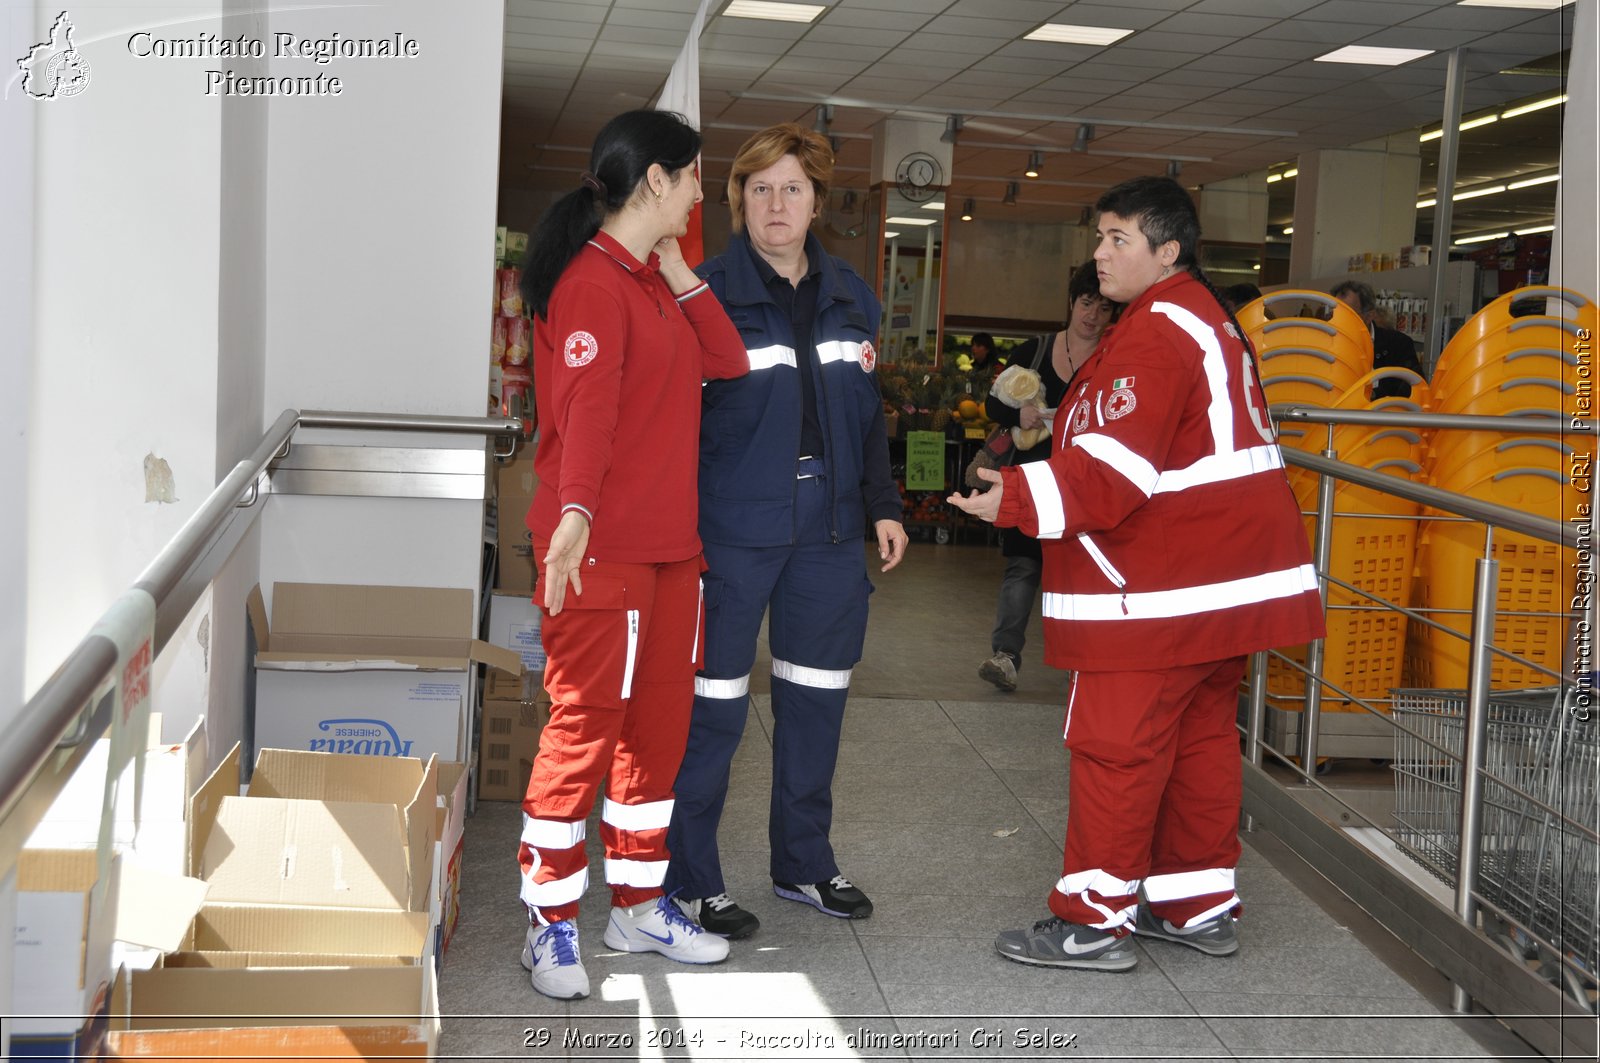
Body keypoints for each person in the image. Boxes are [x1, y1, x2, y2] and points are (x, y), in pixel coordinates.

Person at [949, 175, 1325, 971]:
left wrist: (1009, 495)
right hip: (1226, 593)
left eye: (1118, 239)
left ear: (1168, 250)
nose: (1100, 254)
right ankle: (1195, 905)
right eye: (1099, 238)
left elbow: (1113, 477)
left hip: (1162, 591)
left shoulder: (1155, 333)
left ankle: (1093, 919)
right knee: (1197, 746)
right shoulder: (1200, 319)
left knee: (1116, 747)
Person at [516, 109, 750, 1001]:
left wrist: (684, 273)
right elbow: (588, 413)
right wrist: (574, 511)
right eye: (694, 177)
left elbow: (726, 362)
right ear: (658, 180)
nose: (701, 192)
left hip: (668, 554)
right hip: (597, 550)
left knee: (657, 735)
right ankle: (549, 925)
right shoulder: (590, 285)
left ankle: (639, 903)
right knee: (583, 732)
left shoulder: (651, 281)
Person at [664, 123, 909, 940]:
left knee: (816, 704)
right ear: (736, 201)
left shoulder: (852, 294)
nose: (777, 203)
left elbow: (869, 416)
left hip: (831, 533)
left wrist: (883, 503)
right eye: (760, 188)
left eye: (793, 188)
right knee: (714, 708)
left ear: (816, 202)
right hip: (731, 532)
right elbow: (673, 424)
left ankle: (803, 861)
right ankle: (690, 878)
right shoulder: (700, 293)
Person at [977, 262, 1116, 692]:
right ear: (1072, 302)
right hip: (1032, 479)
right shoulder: (1032, 352)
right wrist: (1018, 412)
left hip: (1085, 481)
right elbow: (991, 405)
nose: (1092, 315)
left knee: (1083, 571)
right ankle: (1005, 656)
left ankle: (1085, 663)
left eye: (1104, 308)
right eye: (1086, 303)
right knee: (1022, 566)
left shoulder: (1117, 356)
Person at [1331, 280, 1423, 399]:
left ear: (1369, 316)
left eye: (1348, 314)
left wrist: (1373, 395)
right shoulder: (1328, 344)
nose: (1339, 320)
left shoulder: (1398, 344)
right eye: (1336, 313)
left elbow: (1413, 390)